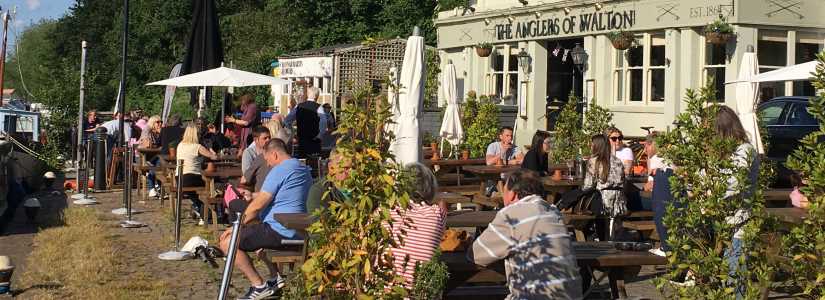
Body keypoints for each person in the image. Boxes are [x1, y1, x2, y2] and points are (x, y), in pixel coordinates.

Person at [218, 138, 312, 299]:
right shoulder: (302, 168)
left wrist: (235, 227)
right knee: (256, 237)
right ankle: (276, 278)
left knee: (228, 242)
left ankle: (258, 285)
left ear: (274, 154)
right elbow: (281, 195)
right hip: (298, 229)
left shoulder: (279, 170)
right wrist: (253, 195)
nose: (267, 164)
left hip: (280, 230)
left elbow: (256, 207)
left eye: (267, 159)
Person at [470, 169, 581, 299]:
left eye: (504, 192)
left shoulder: (511, 215)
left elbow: (475, 255)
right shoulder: (553, 211)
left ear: (512, 194)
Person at [715, 106, 759, 298]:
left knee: (734, 280)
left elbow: (733, 184)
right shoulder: (727, 153)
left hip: (739, 223)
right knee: (722, 279)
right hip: (722, 224)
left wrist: (709, 190)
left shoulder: (745, 151)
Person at [385, 162, 447, 288]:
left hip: (381, 291)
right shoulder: (437, 214)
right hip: (419, 293)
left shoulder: (386, 210)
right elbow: (442, 203)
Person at [583, 134, 627, 241]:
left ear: (596, 146)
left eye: (591, 144)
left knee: (583, 206)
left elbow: (587, 186)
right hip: (619, 203)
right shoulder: (618, 161)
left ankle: (590, 235)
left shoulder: (594, 161)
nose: (590, 146)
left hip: (602, 202)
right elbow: (623, 182)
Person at [177, 124, 218, 225]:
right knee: (212, 187)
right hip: (191, 177)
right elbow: (214, 157)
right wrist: (211, 150)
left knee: (196, 194)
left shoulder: (180, 145)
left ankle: (200, 210)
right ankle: (207, 213)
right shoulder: (197, 147)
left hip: (179, 177)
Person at [644, 132, 673, 257]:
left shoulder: (656, 159)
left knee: (632, 198)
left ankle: (663, 245)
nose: (645, 149)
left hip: (660, 199)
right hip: (670, 198)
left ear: (651, 145)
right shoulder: (669, 157)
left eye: (646, 146)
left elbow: (650, 186)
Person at [284, 88, 327, 158]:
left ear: (308, 95)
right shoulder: (319, 107)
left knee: (302, 160)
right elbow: (323, 123)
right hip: (314, 139)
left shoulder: (299, 106)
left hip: (301, 139)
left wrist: (293, 132)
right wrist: (319, 136)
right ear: (317, 96)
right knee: (314, 162)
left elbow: (287, 120)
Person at [139, 115, 163, 197]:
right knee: (156, 163)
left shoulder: (155, 132)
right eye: (158, 122)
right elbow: (147, 145)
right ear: (152, 122)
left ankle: (155, 188)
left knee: (159, 162)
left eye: (161, 122)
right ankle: (154, 188)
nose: (160, 124)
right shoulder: (147, 130)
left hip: (152, 156)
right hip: (143, 157)